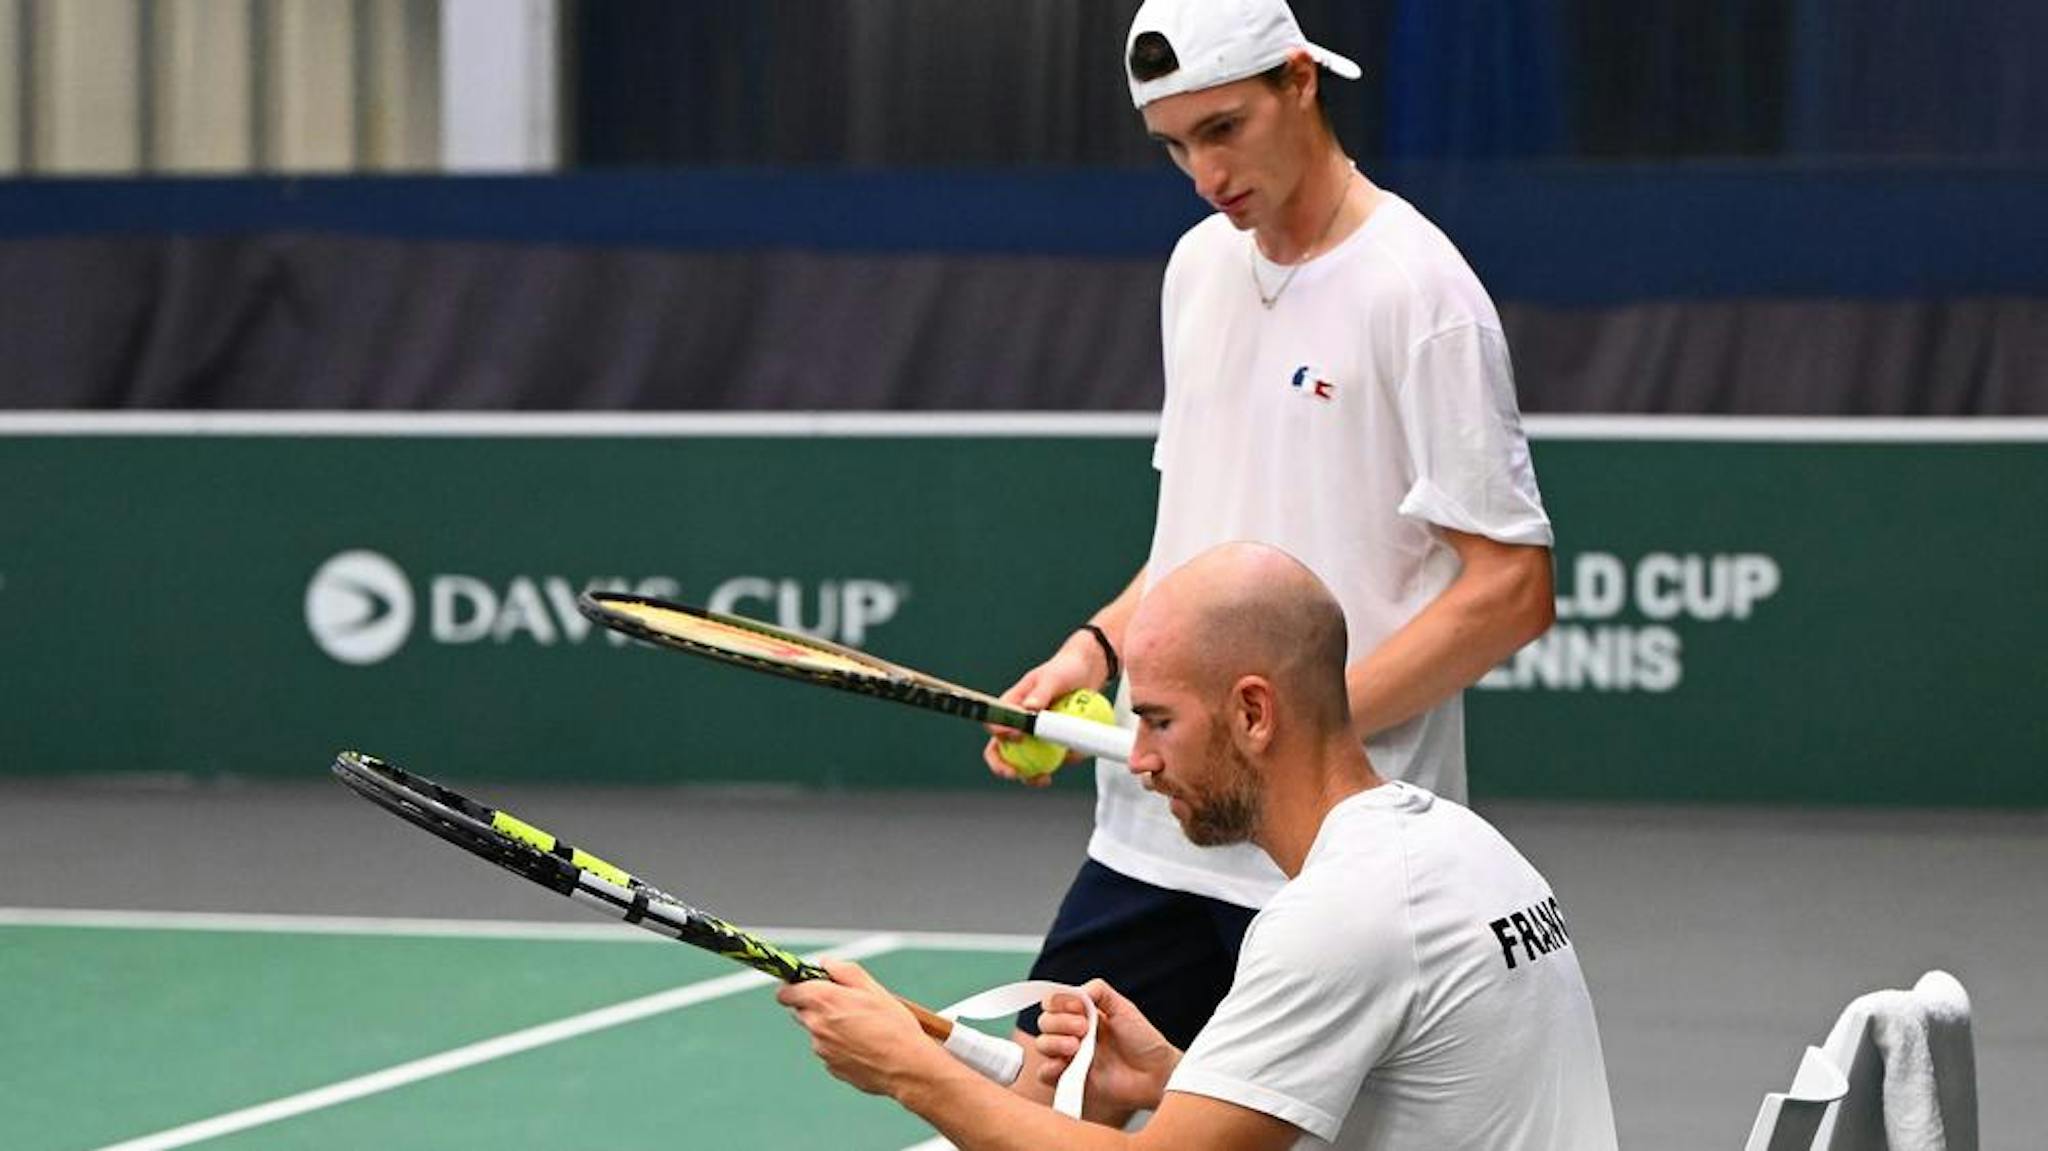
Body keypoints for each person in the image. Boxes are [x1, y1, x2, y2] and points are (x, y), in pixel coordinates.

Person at [979, 0, 1558, 1075]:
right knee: (1039, 1104)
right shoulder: (1198, 267)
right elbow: (1193, 542)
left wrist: (1299, 743)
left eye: (1222, 129)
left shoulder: (1421, 292)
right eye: (1174, 145)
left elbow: (1510, 588)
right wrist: (1093, 652)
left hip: (1326, 861)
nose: (1203, 174)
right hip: (1155, 833)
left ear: (1300, 81)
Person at [783, 542, 1616, 1150]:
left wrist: (908, 1070)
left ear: (1254, 712)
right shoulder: (1460, 847)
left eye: (1157, 720)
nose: (1137, 760)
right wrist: (1173, 1080)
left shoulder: (1339, 915)